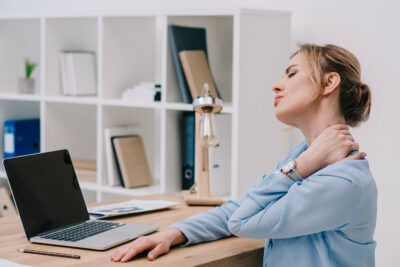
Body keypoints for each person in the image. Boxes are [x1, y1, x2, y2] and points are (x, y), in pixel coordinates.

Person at [110, 44, 377, 266]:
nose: (276, 85)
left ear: (329, 82)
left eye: (291, 74)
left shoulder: (342, 180)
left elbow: (242, 222)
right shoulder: (304, 156)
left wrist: (298, 168)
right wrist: (173, 233)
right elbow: (241, 207)